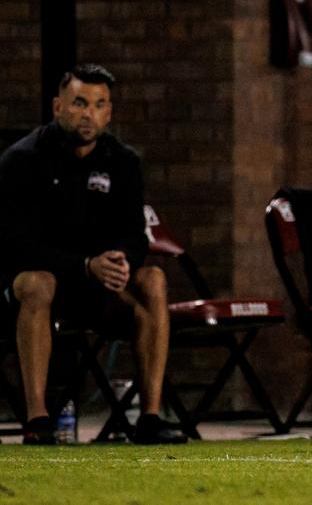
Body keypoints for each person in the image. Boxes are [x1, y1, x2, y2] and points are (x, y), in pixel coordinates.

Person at [0, 64, 186, 444]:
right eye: (80, 103)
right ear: (57, 107)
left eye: (100, 105)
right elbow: (17, 243)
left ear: (110, 112)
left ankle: (149, 418)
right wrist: (85, 265)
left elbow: (136, 235)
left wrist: (120, 262)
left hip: (97, 286)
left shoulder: (124, 162)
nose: (89, 114)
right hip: (38, 285)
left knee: (153, 278)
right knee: (38, 282)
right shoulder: (23, 159)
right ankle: (37, 420)